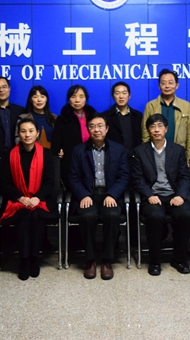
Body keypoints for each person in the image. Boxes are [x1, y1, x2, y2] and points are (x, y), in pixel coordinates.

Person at [67, 114, 130, 280]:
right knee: (87, 216)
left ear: (107, 129)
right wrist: (83, 195)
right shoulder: (79, 150)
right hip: (88, 194)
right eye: (92, 126)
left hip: (110, 194)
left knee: (112, 215)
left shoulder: (118, 149)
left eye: (100, 126)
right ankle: (90, 260)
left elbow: (124, 176)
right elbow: (73, 177)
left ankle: (107, 260)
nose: (96, 130)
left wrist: (112, 194)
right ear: (88, 129)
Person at [132, 114, 190, 276]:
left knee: (187, 215)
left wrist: (181, 195)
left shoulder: (177, 150)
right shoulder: (139, 151)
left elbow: (184, 176)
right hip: (153, 196)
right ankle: (155, 261)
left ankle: (179, 259)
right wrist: (149, 194)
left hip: (174, 194)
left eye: (160, 126)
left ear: (166, 129)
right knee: (154, 217)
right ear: (148, 130)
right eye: (152, 126)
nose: (156, 130)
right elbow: (137, 178)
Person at [0, 118, 56, 280]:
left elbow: (49, 181)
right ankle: (24, 259)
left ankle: (34, 257)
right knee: (24, 216)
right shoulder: (10, 154)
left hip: (40, 200)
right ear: (18, 133)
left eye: (31, 131)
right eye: (23, 131)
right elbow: (3, 182)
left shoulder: (46, 154)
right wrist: (20, 197)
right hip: (18, 200)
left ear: (37, 133)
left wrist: (38, 197)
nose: (27, 134)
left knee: (36, 216)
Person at [142, 69, 190, 161]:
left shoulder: (187, 107)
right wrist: (147, 157)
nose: (167, 86)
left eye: (170, 83)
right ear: (159, 86)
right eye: (163, 83)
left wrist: (189, 159)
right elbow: (145, 133)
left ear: (177, 85)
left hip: (179, 155)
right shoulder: (150, 106)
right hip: (156, 154)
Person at [51, 85, 96, 188]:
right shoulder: (62, 119)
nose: (77, 100)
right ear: (69, 99)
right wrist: (59, 153)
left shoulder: (93, 117)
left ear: (86, 98)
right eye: (73, 96)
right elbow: (56, 143)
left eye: (81, 96)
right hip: (71, 161)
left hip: (93, 159)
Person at [104, 81, 142, 161]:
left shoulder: (138, 116)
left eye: (124, 93)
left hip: (135, 160)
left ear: (129, 96)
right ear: (113, 96)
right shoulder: (105, 117)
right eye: (117, 93)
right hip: (114, 159)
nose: (121, 96)